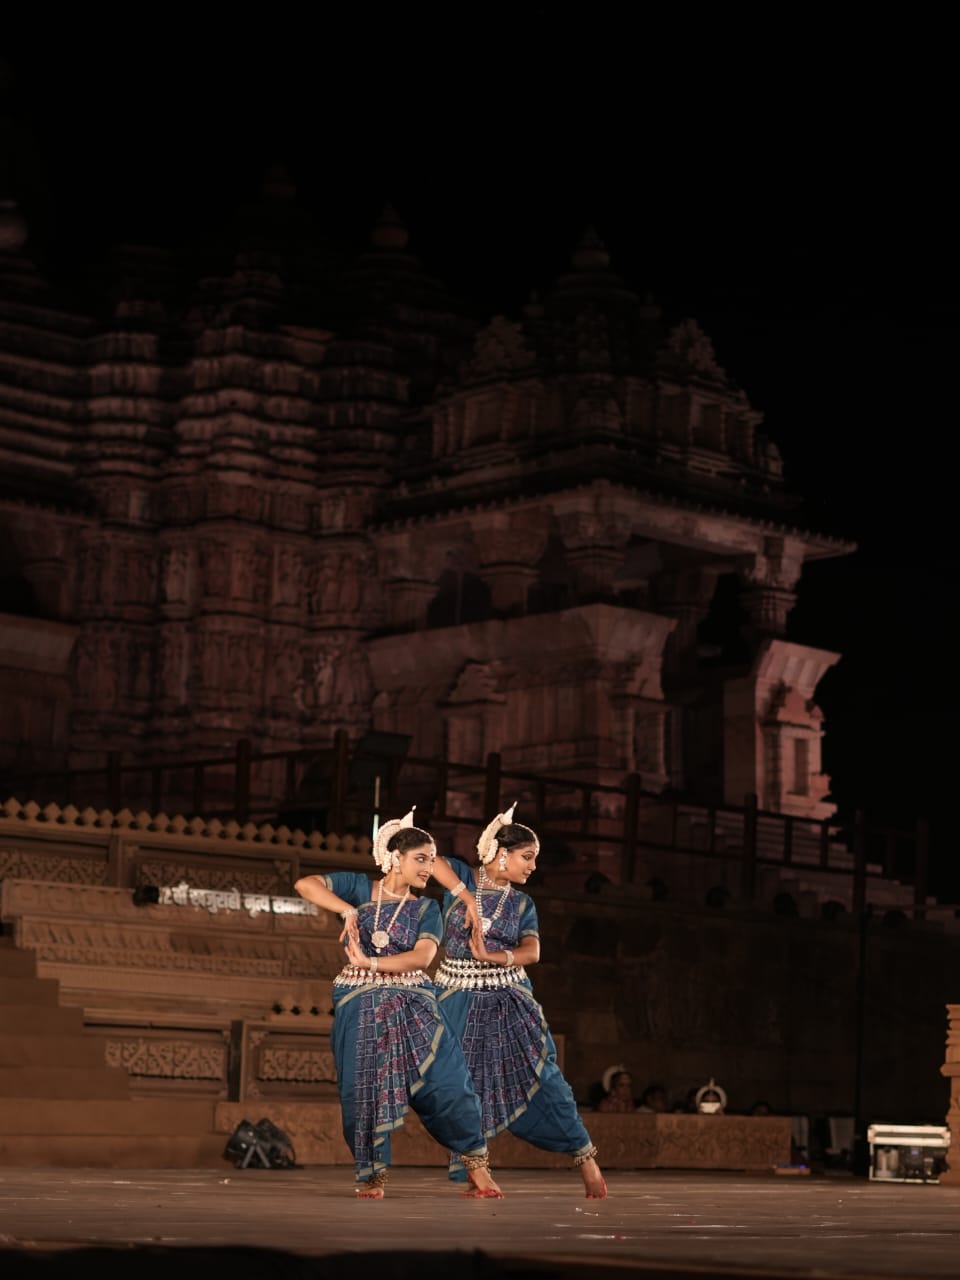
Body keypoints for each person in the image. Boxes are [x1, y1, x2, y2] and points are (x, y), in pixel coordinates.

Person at [293, 808, 503, 1199]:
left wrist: (371, 963)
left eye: (431, 860)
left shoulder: (426, 908)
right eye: (420, 858)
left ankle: (476, 1164)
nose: (428, 868)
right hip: (361, 999)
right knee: (364, 1085)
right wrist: (346, 909)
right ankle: (372, 1173)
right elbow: (305, 883)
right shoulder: (358, 889)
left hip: (414, 1002)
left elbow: (422, 957)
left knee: (447, 1081)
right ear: (395, 857)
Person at [431, 803, 607, 1199]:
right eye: (527, 857)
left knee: (542, 1074)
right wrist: (466, 899)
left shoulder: (522, 903)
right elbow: (433, 859)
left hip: (508, 998)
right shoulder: (461, 876)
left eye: (534, 858)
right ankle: (476, 1171)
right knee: (460, 1083)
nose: (532, 866)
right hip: (457, 997)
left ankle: (585, 1158)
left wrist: (492, 956)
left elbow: (532, 951)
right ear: (501, 853)